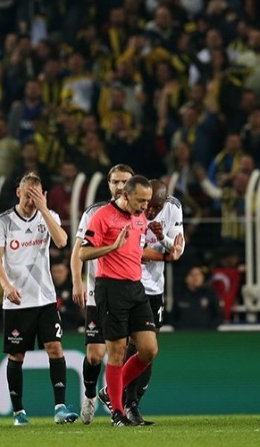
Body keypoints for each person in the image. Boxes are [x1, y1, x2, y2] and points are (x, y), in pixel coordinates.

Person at [0, 172, 79, 426]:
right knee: (17, 356)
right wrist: (6, 286)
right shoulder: (3, 222)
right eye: (28, 194)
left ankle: (60, 408)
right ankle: (19, 412)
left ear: (43, 195)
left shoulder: (49, 217)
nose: (31, 199)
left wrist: (44, 208)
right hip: (17, 301)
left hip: (45, 299)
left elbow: (62, 241)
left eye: (36, 195)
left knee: (55, 348)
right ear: (18, 193)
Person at [79, 175, 157, 427]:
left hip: (136, 287)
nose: (145, 206)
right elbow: (83, 252)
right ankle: (117, 414)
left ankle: (109, 391)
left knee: (148, 350)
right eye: (141, 200)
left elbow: (136, 249)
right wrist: (112, 246)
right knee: (117, 351)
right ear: (126, 195)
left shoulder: (140, 217)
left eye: (147, 201)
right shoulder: (102, 216)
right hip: (110, 288)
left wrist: (166, 252)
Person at [115, 179, 184, 425]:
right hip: (129, 283)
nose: (150, 210)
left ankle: (121, 397)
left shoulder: (174, 207)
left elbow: (176, 250)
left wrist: (163, 237)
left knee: (148, 351)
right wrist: (164, 255)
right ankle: (126, 405)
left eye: (156, 206)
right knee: (129, 346)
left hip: (155, 288)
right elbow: (133, 250)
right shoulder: (132, 207)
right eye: (148, 205)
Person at [71, 163, 134, 425]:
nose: (120, 187)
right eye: (115, 182)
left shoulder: (139, 212)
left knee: (122, 352)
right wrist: (77, 282)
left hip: (126, 293)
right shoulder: (95, 213)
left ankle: (118, 404)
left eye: (124, 182)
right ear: (108, 185)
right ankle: (89, 395)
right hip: (99, 293)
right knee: (95, 355)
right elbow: (78, 251)